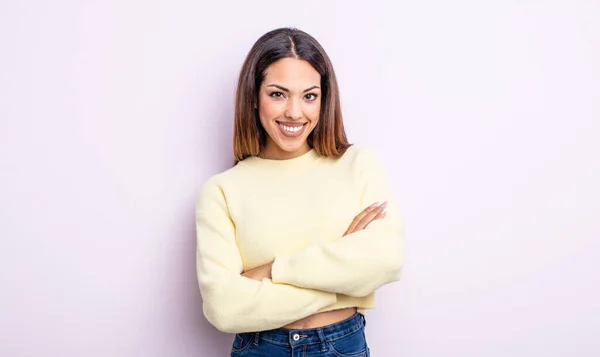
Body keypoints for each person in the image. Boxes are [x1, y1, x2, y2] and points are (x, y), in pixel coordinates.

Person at [195, 27, 404, 357]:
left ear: (324, 98)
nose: (294, 112)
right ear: (253, 97)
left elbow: (385, 261)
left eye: (309, 96)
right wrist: (346, 286)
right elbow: (224, 307)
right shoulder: (222, 191)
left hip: (342, 344)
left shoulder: (357, 164)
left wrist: (269, 271)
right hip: (262, 348)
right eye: (278, 94)